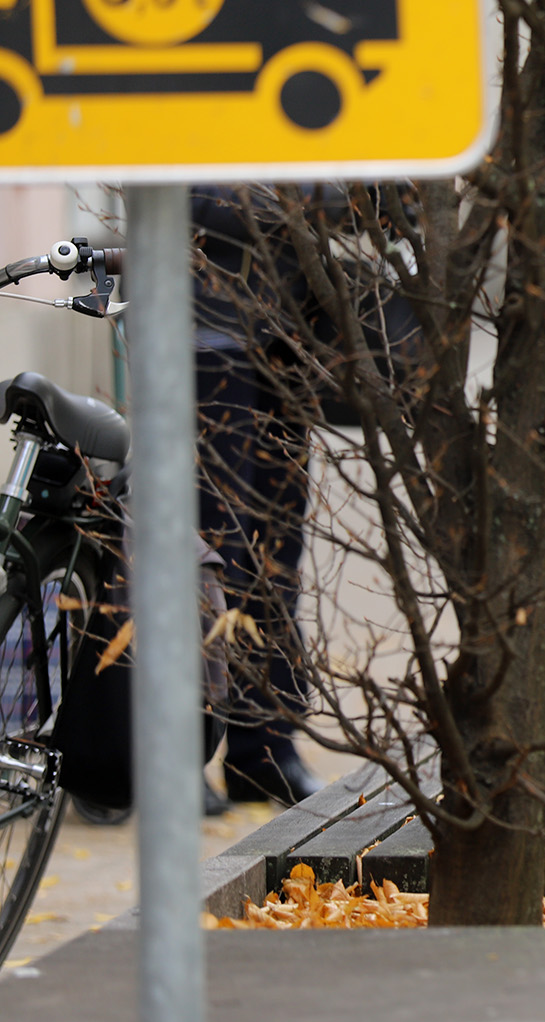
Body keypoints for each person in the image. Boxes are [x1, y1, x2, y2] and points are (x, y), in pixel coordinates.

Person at [190, 190, 325, 808]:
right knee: (210, 550)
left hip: (288, 332)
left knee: (278, 552)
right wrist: (303, 200)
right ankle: (180, 750)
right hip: (202, 334)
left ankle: (264, 749)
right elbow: (187, 197)